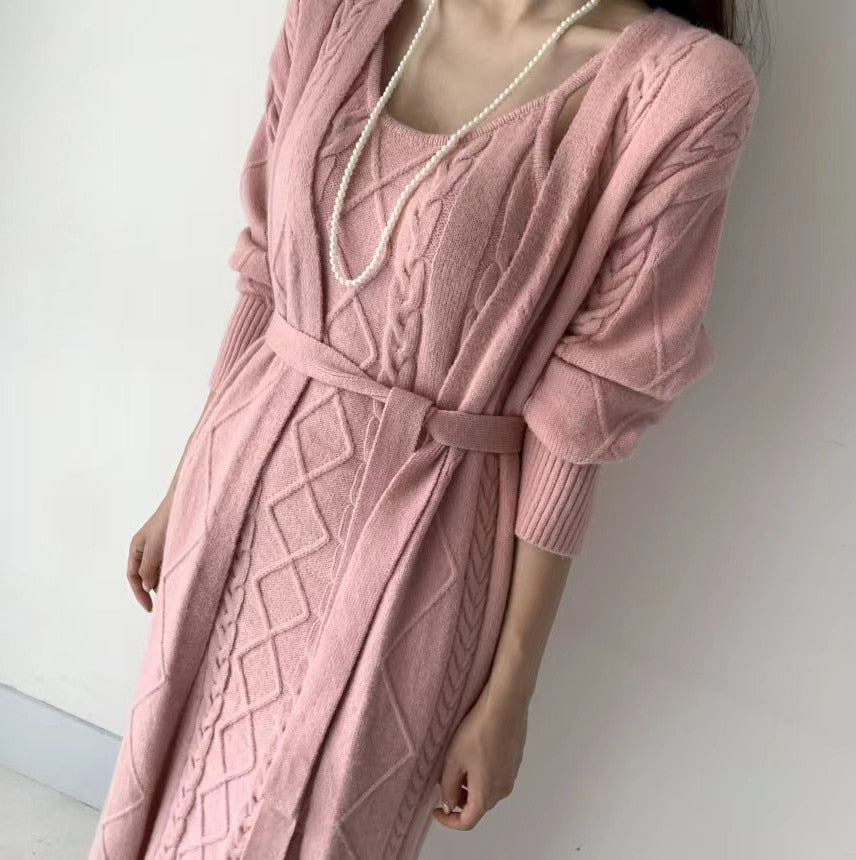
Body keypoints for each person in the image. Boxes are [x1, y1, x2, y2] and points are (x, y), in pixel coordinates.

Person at [89, 0, 765, 856]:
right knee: (168, 803)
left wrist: (510, 686)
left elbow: (584, 413)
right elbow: (264, 271)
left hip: (420, 555)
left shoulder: (680, 89)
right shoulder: (341, 10)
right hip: (234, 501)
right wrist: (183, 485)